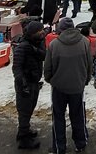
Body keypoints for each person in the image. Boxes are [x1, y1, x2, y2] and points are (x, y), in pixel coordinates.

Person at [45, 18, 91, 154]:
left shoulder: (54, 45)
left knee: (58, 117)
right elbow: (89, 64)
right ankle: (81, 143)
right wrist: (85, 80)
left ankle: (60, 147)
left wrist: (51, 80)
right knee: (78, 115)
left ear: (60, 29)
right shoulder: (85, 42)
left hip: (58, 87)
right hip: (77, 86)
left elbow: (47, 68)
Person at [12, 18, 46, 150]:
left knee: (30, 108)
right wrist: (22, 84)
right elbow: (17, 68)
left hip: (34, 81)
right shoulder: (23, 47)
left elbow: (44, 56)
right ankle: (24, 139)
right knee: (24, 111)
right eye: (39, 31)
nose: (42, 33)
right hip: (25, 84)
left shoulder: (37, 44)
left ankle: (24, 131)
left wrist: (36, 50)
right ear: (32, 33)